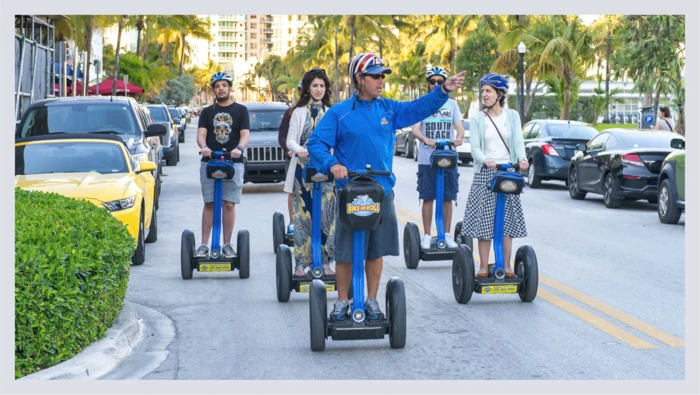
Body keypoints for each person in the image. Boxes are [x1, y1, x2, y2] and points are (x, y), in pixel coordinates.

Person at [307, 52, 466, 322]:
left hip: (381, 191)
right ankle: (342, 301)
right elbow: (316, 144)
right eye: (375, 76)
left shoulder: (389, 109)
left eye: (383, 75)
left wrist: (442, 91)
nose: (381, 80)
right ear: (360, 79)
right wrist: (332, 164)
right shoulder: (339, 113)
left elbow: (418, 108)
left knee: (375, 250)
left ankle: (371, 300)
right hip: (350, 191)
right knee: (345, 251)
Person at [460, 73, 529, 278]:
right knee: (485, 222)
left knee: (506, 222)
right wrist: (485, 159)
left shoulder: (512, 116)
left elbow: (517, 141)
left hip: (508, 172)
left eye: (488, 91)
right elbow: (474, 148)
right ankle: (483, 266)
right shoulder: (478, 119)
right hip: (486, 175)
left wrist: (523, 159)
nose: (484, 95)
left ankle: (506, 266)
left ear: (500, 94)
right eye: (483, 91)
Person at [195, 72, 250, 259]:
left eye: (224, 85)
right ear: (214, 90)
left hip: (233, 161)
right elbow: (201, 134)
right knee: (209, 203)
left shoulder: (241, 110)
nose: (221, 89)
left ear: (229, 88)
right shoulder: (207, 112)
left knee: (228, 204)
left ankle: (227, 244)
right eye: (217, 86)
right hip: (209, 161)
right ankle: (203, 245)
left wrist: (239, 148)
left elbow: (245, 134)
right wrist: (204, 147)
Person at [286, 68, 336, 277]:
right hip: (302, 170)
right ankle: (301, 263)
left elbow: (336, 141)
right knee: (302, 217)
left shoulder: (331, 112)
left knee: (326, 216)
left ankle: (325, 262)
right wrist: (300, 150)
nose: (318, 89)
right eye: (315, 85)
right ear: (308, 88)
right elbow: (290, 140)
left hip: (326, 170)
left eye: (322, 86)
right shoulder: (298, 112)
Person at [410, 66, 465, 250]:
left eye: (439, 82)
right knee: (428, 197)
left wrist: (458, 138)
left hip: (448, 156)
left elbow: (460, 126)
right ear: (428, 84)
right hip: (427, 158)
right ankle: (427, 235)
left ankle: (447, 233)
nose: (436, 84)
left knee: (448, 197)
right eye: (432, 81)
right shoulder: (423, 103)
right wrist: (425, 138)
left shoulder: (452, 104)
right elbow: (415, 128)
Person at [278, 80, 304, 235]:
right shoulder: (291, 112)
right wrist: (288, 149)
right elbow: (282, 135)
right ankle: (293, 222)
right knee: (293, 190)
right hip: (294, 156)